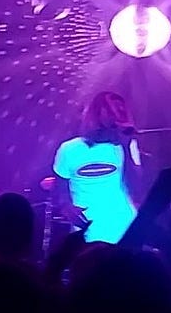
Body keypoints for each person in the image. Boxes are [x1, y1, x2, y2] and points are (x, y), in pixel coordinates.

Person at [52, 92, 140, 244]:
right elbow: (60, 189)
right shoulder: (69, 149)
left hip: (125, 227)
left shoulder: (126, 145)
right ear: (97, 113)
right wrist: (66, 207)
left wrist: (126, 146)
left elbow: (137, 185)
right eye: (112, 110)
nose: (118, 115)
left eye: (121, 110)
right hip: (88, 231)